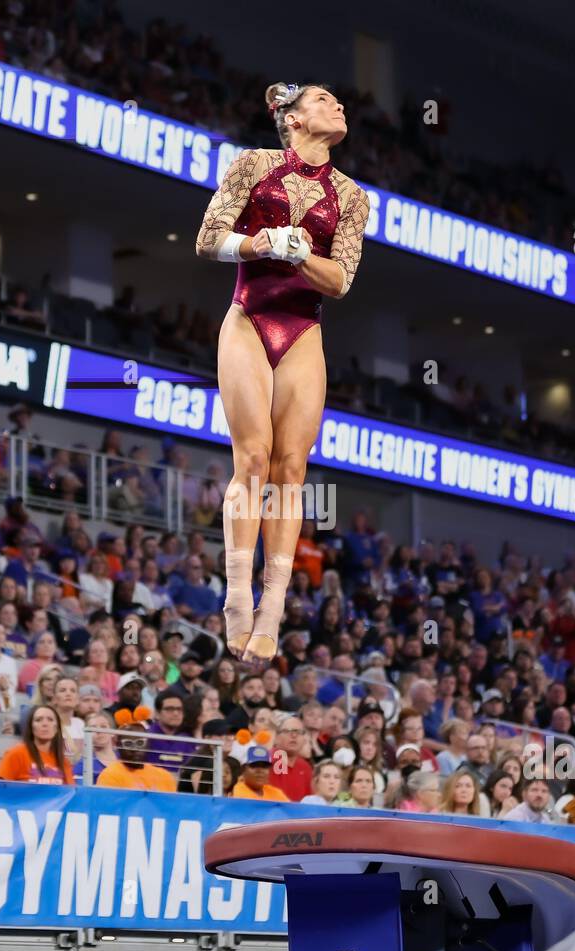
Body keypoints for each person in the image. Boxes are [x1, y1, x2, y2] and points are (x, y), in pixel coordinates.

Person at [196, 81, 370, 662]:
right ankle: (237, 596)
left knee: (291, 468)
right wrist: (260, 243)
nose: (338, 106)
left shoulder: (351, 195)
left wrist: (300, 255)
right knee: (253, 458)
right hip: (250, 317)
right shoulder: (254, 166)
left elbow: (342, 280)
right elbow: (206, 239)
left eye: (339, 102)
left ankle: (273, 604)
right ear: (291, 119)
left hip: (303, 329)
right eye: (324, 100)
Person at [0, 705, 73, 785]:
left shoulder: (63, 762)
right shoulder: (15, 754)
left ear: (56, 728)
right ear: (31, 727)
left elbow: (71, 792)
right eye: (38, 720)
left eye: (50, 720)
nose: (45, 724)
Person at [96, 727, 178, 792]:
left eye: (140, 743)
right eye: (128, 744)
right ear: (118, 746)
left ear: (148, 744)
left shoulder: (165, 776)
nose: (134, 748)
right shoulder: (109, 775)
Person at [269, 712, 313, 801]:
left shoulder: (305, 767)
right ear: (276, 737)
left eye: (298, 732)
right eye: (287, 731)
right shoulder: (267, 762)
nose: (294, 735)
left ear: (304, 739)